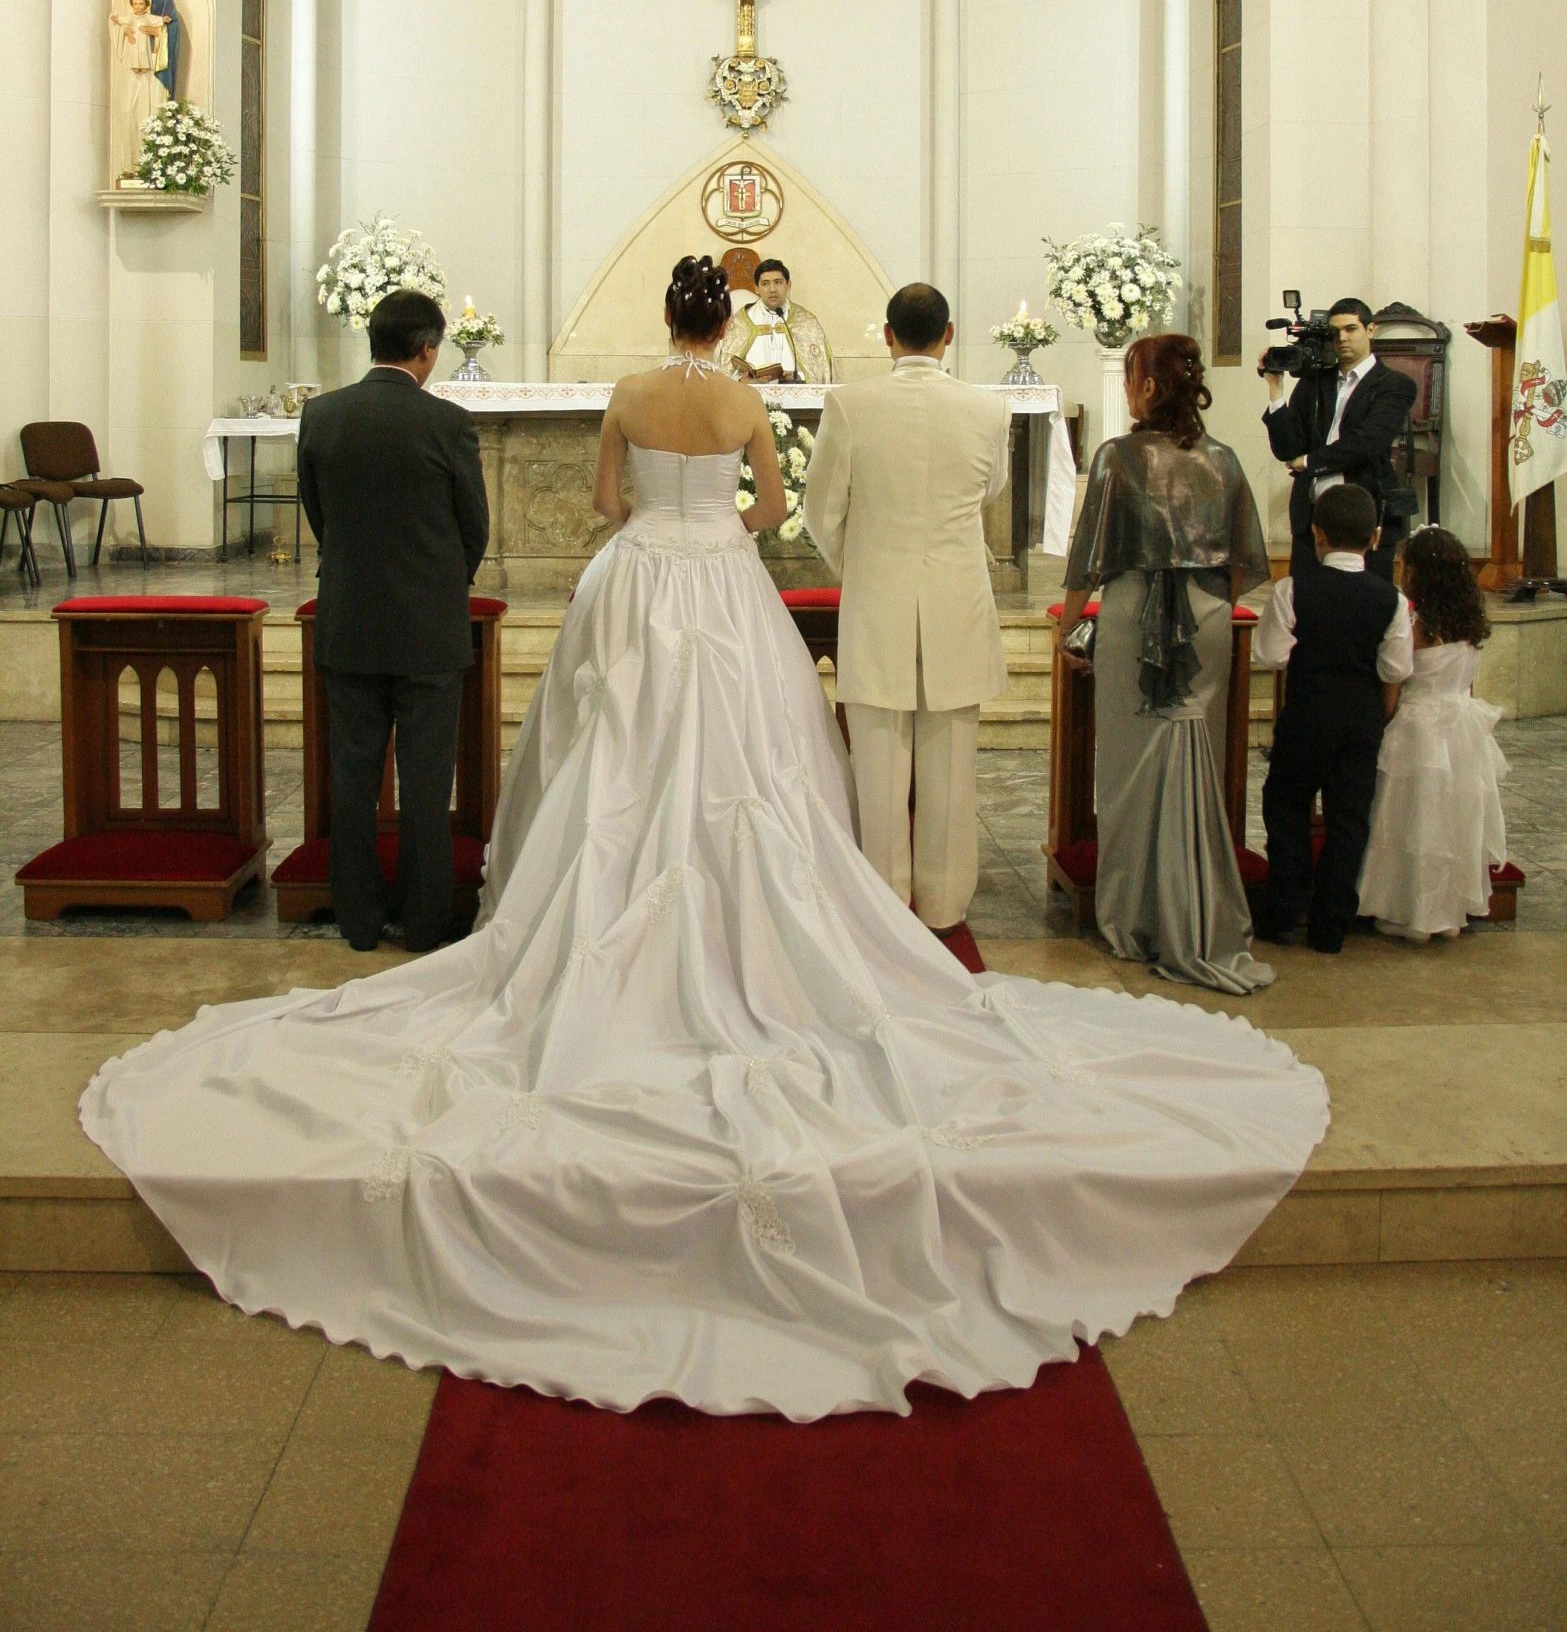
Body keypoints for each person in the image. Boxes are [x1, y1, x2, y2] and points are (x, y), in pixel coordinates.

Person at [79, 259, 1329, 1421]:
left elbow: (607, 497)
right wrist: (722, 506)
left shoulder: (626, 389)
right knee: (752, 765)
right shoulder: (740, 396)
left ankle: (582, 920)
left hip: (637, 584)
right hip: (718, 585)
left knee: (609, 759)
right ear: (722, 320)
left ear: (662, 317)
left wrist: (655, 515)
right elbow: (773, 510)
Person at [1059, 334, 1275, 994]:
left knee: (1128, 769)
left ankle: (1134, 914)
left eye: (1130, 377)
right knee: (1192, 756)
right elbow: (1243, 565)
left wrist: (1068, 625)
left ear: (1149, 387)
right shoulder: (1225, 459)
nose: (1128, 389)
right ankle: (1197, 907)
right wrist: (1204, 608)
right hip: (1208, 617)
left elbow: (1086, 562)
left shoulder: (1116, 457)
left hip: (1129, 614)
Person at [803, 282, 1007, 934]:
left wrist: (862, 565)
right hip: (956, 598)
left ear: (886, 336)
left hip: (878, 601)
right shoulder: (986, 409)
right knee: (951, 763)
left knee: (879, 763)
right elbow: (989, 490)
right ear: (948, 336)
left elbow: (821, 512)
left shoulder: (850, 403)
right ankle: (945, 906)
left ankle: (883, 906)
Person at [296, 289, 490, 953]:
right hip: (429, 629)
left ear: (372, 341)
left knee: (352, 783)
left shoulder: (322, 417)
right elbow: (474, 528)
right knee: (427, 783)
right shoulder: (447, 424)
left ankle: (357, 921)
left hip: (349, 620)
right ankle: (424, 923)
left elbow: (318, 514)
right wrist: (438, 585)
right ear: (427, 348)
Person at [1253, 482, 1415, 954]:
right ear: (1376, 537)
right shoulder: (1392, 600)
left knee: (1286, 804)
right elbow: (1396, 670)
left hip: (1307, 713)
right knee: (1349, 819)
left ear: (1317, 535)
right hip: (1361, 719)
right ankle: (1330, 926)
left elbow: (1270, 656)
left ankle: (1285, 906)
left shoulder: (1292, 590)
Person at [1358, 526, 1508, 942]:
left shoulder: (1415, 626)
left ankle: (1410, 910)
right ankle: (1447, 909)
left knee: (1412, 821)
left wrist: (1381, 723)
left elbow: (1393, 688)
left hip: (1418, 729)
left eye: (1403, 566)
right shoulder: (1471, 624)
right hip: (1462, 729)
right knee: (1452, 820)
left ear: (1419, 575)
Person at [1260, 298, 1416, 582]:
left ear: (1371, 330)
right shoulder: (1314, 382)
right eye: (1335, 332)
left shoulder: (1395, 385)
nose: (1342, 338)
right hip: (1313, 518)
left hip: (1365, 514)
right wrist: (1275, 389)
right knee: (1306, 606)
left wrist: (1308, 462)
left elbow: (1367, 444)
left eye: (1351, 329)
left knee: (1366, 609)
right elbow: (1287, 448)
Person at [720, 257, 833, 384]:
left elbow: (820, 370)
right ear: (756, 288)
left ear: (788, 285)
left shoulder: (806, 322)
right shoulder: (741, 322)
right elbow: (725, 373)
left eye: (778, 282)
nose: (772, 289)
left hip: (795, 398)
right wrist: (742, 381)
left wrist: (798, 376)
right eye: (765, 283)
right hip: (752, 398)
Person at [110, 0, 169, 179]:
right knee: (127, 111)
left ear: (146, 4)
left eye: (140, 3)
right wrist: (121, 28)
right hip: (131, 66)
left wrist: (160, 28)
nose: (137, 7)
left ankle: (147, 165)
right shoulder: (130, 16)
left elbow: (164, 26)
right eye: (134, 4)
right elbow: (117, 22)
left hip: (148, 67)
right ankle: (129, 165)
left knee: (147, 113)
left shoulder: (152, 11)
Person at [117, 0, 180, 99]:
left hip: (153, 58)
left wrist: (159, 32)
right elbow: (115, 22)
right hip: (130, 57)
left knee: (152, 96)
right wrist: (123, 31)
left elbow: (173, 25)